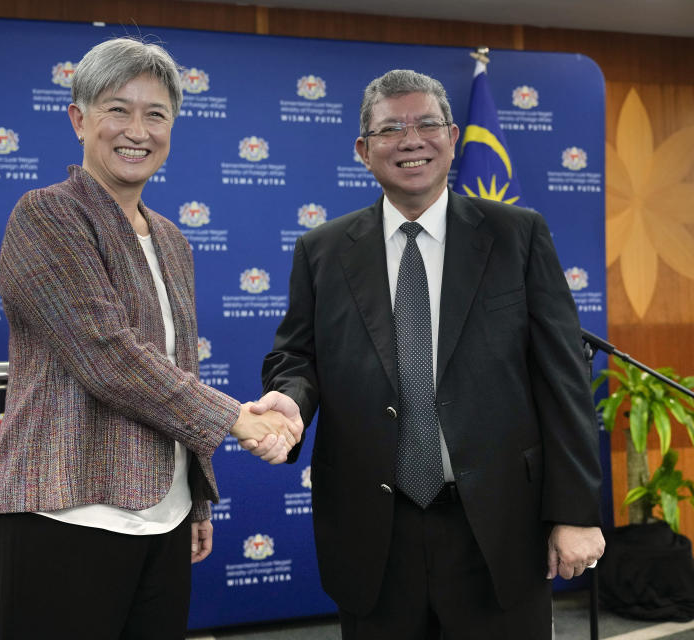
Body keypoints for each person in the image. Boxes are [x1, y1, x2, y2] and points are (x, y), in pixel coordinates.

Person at [254, 69, 605, 638]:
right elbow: (297, 357)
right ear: (363, 150)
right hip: (374, 533)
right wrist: (289, 400)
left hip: (497, 528)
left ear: (453, 137)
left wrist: (574, 512)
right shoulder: (321, 251)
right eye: (391, 129)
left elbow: (562, 380)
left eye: (427, 124)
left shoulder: (517, 235)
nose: (411, 140)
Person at [0, 37, 300, 639]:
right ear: (79, 119)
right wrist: (240, 419)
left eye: (156, 114)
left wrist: (193, 497)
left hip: (165, 517)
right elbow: (107, 355)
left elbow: (174, 368)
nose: (138, 130)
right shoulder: (46, 215)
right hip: (67, 513)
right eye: (117, 109)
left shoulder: (172, 240)